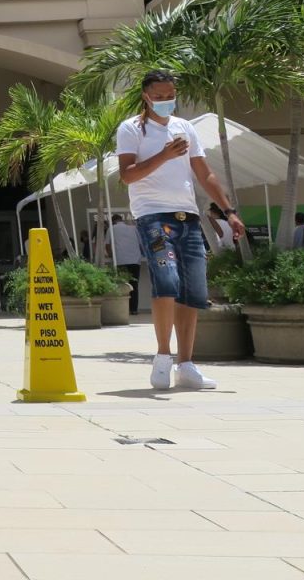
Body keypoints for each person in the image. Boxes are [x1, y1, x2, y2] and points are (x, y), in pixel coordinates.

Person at [116, 69, 244, 391]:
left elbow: (204, 173)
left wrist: (229, 212)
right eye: (158, 97)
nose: (165, 102)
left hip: (188, 215)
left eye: (169, 96)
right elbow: (127, 175)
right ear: (146, 96)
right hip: (153, 216)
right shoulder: (132, 128)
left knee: (194, 291)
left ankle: (187, 365)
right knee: (166, 280)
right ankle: (162, 357)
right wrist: (164, 155)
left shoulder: (185, 128)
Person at [108, 213, 143, 315]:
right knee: (134, 286)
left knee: (122, 285)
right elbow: (141, 244)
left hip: (120, 261)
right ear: (121, 220)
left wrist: (111, 255)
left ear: (113, 221)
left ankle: (123, 310)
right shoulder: (133, 228)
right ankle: (134, 309)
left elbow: (107, 244)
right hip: (135, 261)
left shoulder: (112, 228)